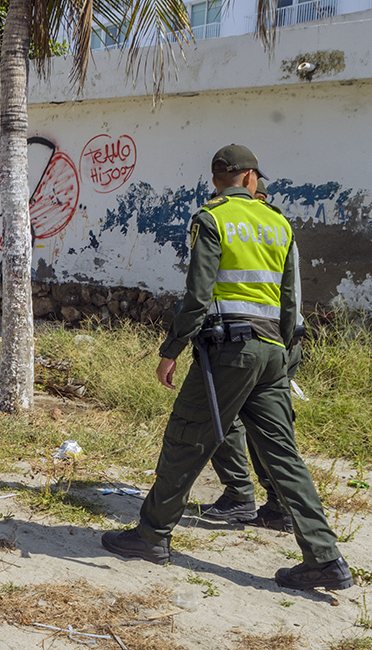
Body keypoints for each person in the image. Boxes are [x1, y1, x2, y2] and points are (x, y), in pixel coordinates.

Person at [101, 145, 353, 590]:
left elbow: (198, 295)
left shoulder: (211, 219)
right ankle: (325, 558)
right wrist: (287, 353)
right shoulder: (278, 222)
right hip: (274, 351)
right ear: (251, 177)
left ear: (217, 179)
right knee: (283, 455)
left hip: (229, 351)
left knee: (186, 437)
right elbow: (290, 300)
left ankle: (152, 535)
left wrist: (172, 348)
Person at [201, 180, 301, 533]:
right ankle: (275, 504)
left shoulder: (264, 228)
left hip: (255, 342)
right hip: (277, 341)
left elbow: (287, 297)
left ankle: (243, 496)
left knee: (220, 414)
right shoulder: (275, 229)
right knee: (268, 427)